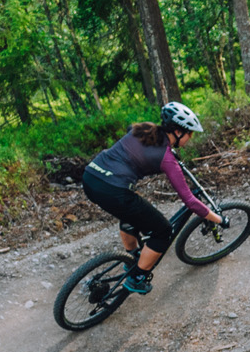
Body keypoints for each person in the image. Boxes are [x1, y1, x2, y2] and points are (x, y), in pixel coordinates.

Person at [79, 102, 224, 295]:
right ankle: (137, 278)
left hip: (90, 177)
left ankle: (132, 258)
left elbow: (130, 131)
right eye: (190, 134)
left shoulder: (144, 129)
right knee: (163, 231)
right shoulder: (167, 159)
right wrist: (217, 218)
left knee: (130, 214)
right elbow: (189, 201)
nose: (190, 138)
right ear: (178, 132)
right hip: (113, 190)